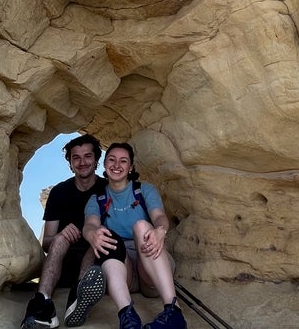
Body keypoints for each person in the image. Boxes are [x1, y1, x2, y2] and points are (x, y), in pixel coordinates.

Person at [83, 142, 187, 329]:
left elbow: (160, 217)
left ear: (130, 167)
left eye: (123, 161)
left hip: (152, 268)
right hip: (124, 274)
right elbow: (90, 224)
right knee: (106, 237)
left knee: (140, 226)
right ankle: (128, 317)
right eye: (112, 160)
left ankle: (174, 312)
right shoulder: (97, 199)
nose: (117, 165)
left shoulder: (144, 190)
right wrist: (92, 234)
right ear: (105, 164)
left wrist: (160, 230)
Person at [21, 134, 107, 329]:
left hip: (95, 267)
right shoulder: (59, 192)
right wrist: (61, 236)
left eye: (87, 156)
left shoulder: (107, 189)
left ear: (96, 160)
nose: (82, 162)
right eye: (76, 157)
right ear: (70, 163)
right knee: (59, 239)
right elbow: (47, 243)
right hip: (63, 265)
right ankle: (42, 304)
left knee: (99, 237)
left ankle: (78, 296)